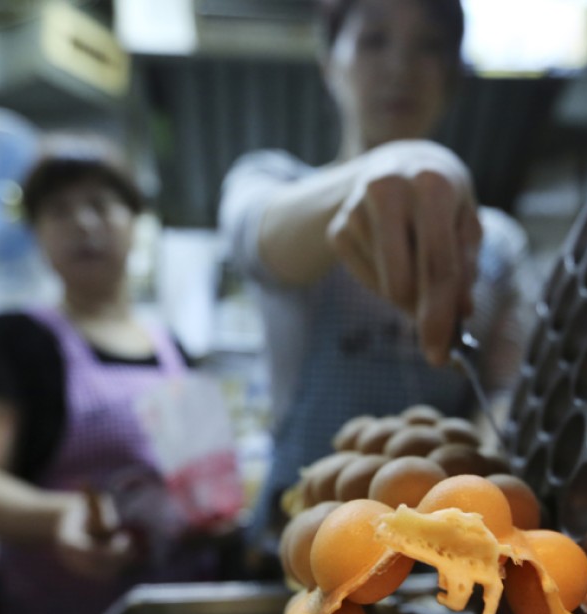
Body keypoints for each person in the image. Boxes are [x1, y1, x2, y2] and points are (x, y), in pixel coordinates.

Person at [218, 0, 531, 568]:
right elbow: (260, 244)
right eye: (373, 40)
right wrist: (402, 161)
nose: (400, 67)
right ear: (328, 63)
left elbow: (504, 388)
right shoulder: (272, 183)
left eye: (429, 47)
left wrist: (480, 468)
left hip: (439, 551)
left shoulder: (498, 242)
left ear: (453, 76)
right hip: (299, 537)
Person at [0, 133, 221, 614]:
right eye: (60, 211)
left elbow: (205, 485)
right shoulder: (15, 341)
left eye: (101, 204)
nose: (84, 224)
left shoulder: (173, 348)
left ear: (135, 221)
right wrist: (62, 516)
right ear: (37, 233)